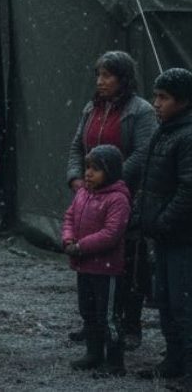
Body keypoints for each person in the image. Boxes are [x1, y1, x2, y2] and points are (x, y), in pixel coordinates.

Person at [65, 51, 157, 349]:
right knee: (91, 260)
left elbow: (143, 153)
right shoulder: (92, 108)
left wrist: (110, 179)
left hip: (123, 196)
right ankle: (94, 323)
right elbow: (78, 146)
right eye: (98, 75)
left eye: (107, 75)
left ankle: (129, 325)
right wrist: (77, 179)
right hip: (90, 197)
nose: (101, 81)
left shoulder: (140, 111)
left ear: (123, 78)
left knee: (128, 263)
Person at [132, 67, 192, 386]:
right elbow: (151, 180)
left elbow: (188, 190)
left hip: (182, 237)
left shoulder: (186, 136)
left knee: (184, 303)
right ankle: (174, 359)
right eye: (155, 96)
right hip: (164, 236)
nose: (156, 103)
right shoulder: (165, 130)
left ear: (182, 101)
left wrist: (164, 221)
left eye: (163, 97)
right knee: (166, 301)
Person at [62, 145, 131, 376]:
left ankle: (115, 361)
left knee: (108, 316)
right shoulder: (83, 193)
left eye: (96, 169)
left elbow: (111, 234)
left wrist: (80, 246)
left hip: (106, 269)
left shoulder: (118, 200)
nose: (88, 173)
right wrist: (68, 238)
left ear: (110, 172)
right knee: (88, 311)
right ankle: (93, 353)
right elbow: (70, 216)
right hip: (85, 266)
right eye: (87, 168)